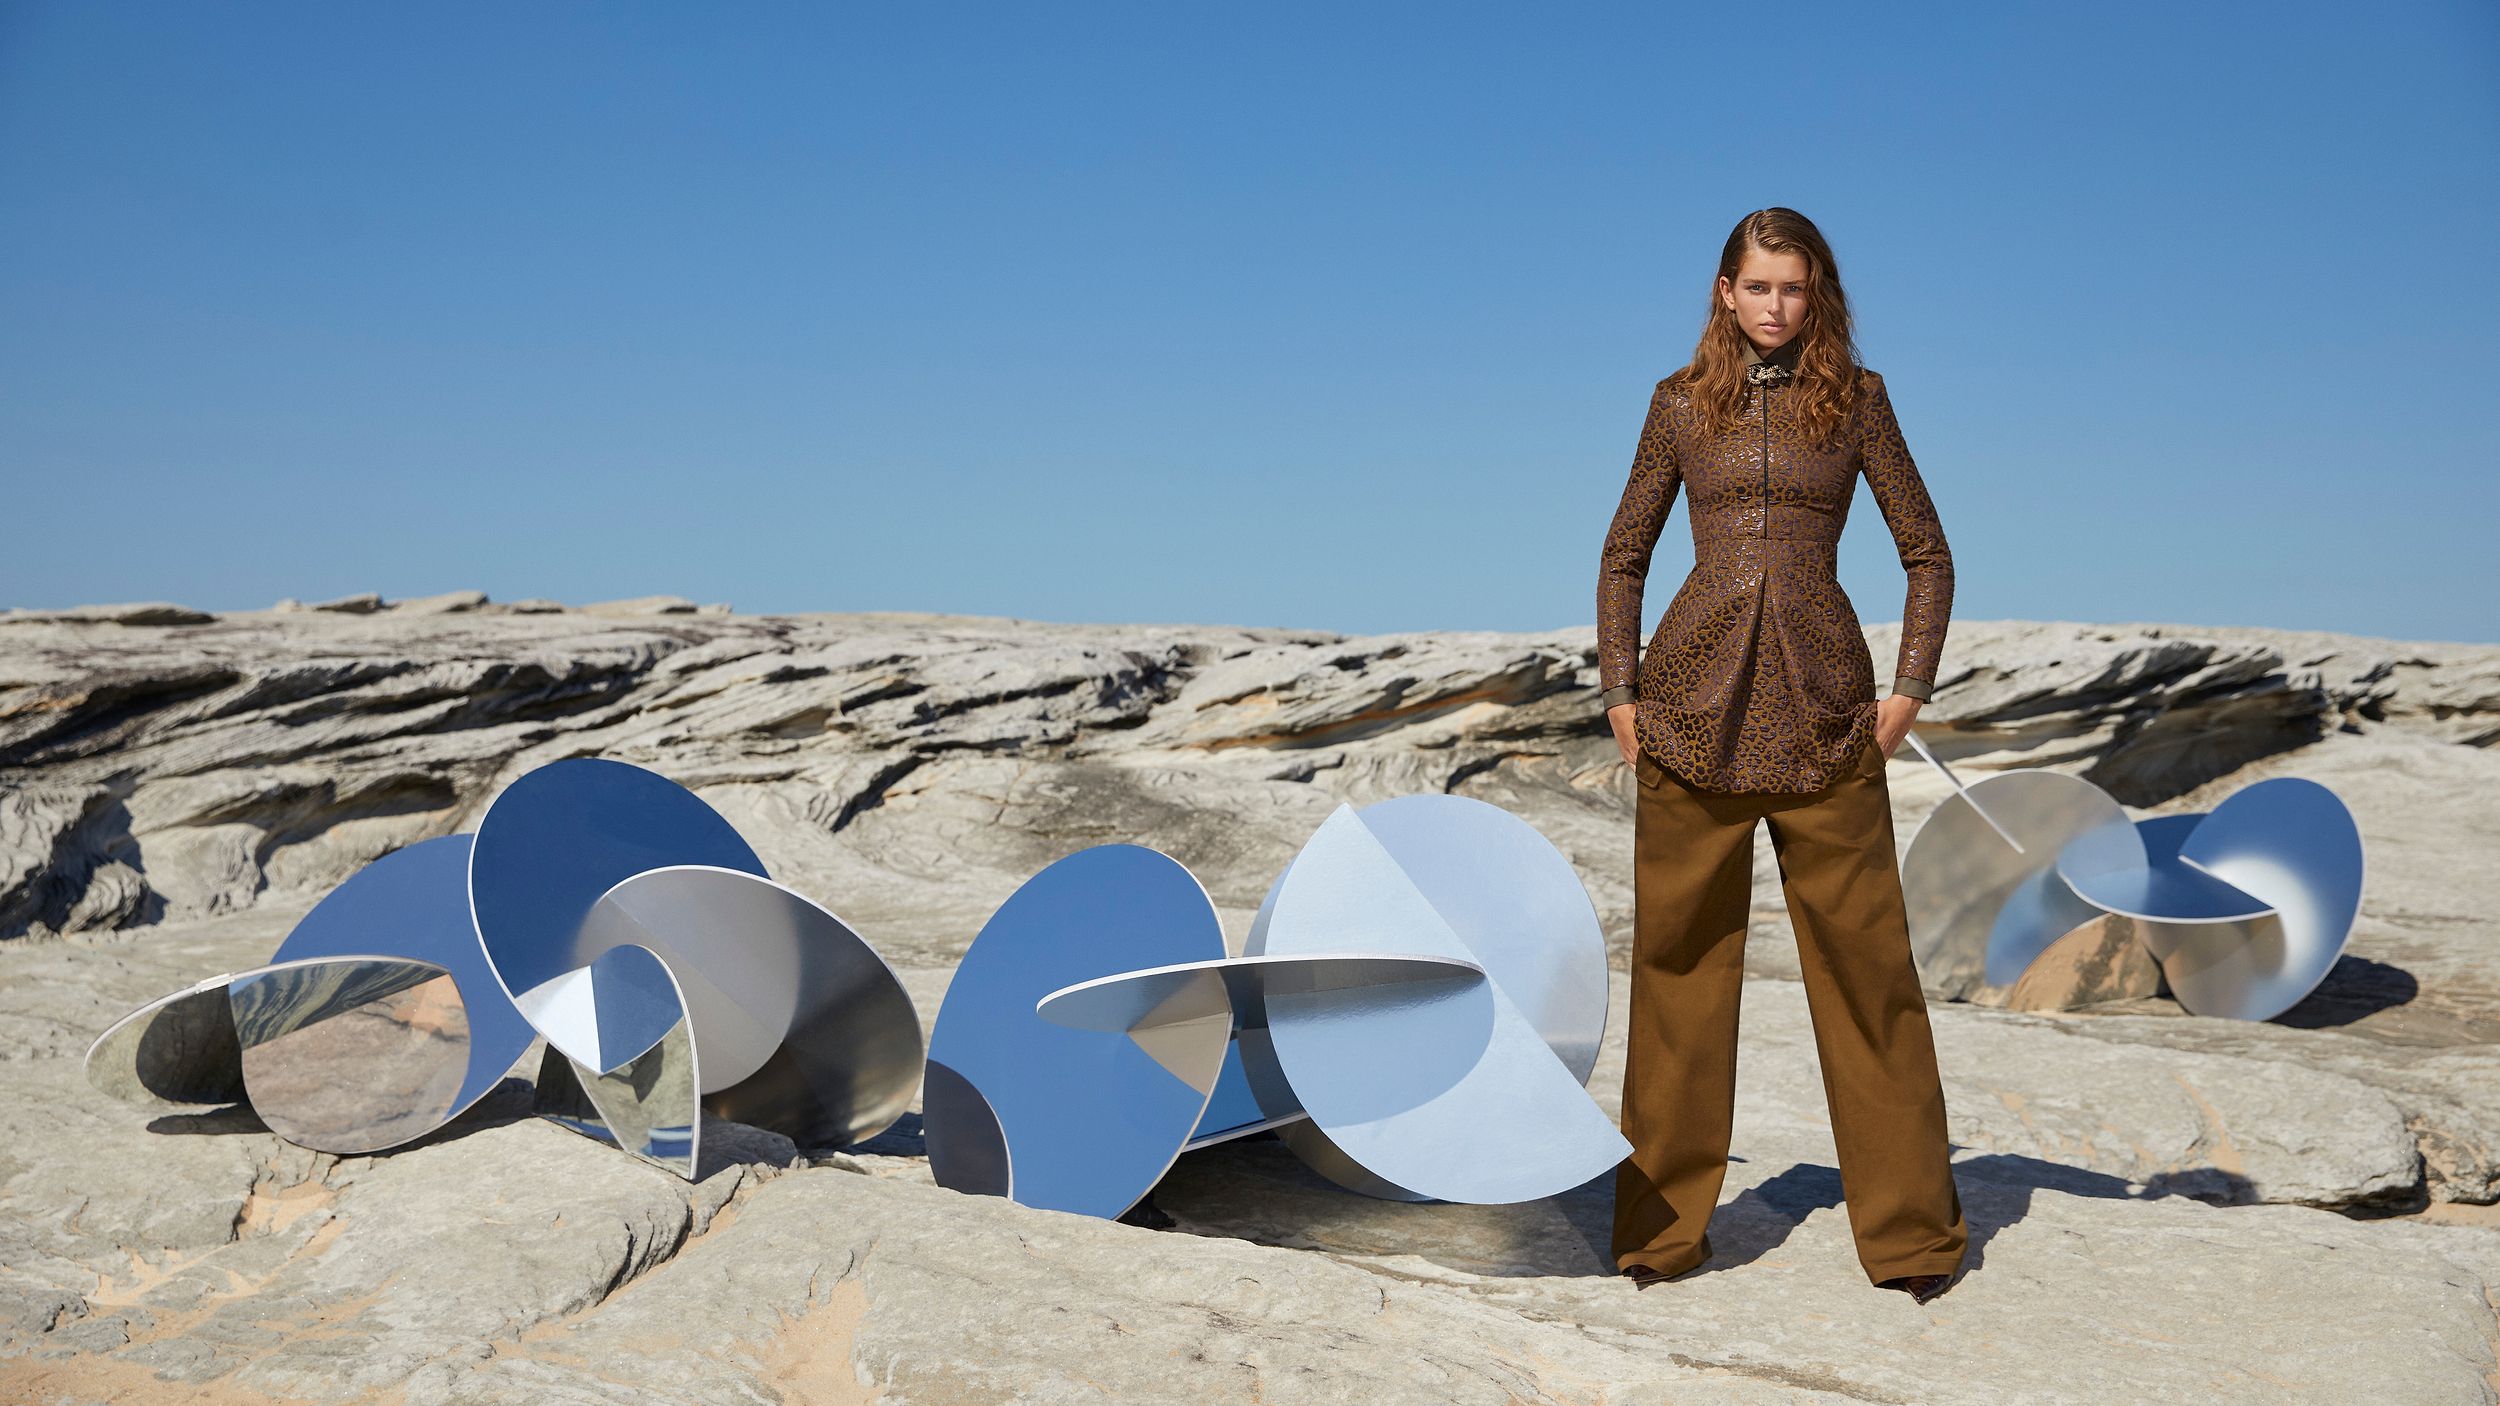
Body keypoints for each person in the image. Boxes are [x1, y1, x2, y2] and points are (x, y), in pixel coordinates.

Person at [1594, 207, 1967, 1304]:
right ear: (1723, 291)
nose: (1774, 307)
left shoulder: (1858, 402)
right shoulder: (1675, 404)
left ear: (1818, 296)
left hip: (1828, 726)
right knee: (1676, 986)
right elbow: (1624, 553)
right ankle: (1658, 1236)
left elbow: (1927, 554)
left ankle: (1910, 1240)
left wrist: (1905, 692)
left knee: (1872, 984)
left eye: (1793, 290)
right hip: (1686, 721)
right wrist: (1622, 695)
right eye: (1757, 287)